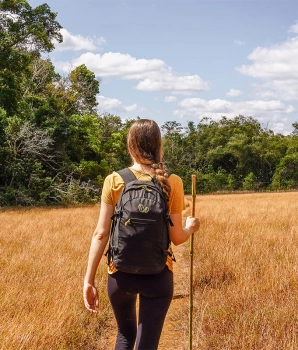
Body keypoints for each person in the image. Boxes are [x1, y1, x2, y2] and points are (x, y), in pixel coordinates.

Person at [83, 119, 200, 350]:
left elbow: (100, 234)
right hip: (158, 275)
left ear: (130, 145)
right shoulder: (172, 181)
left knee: (125, 336)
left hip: (120, 275)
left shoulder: (114, 180)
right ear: (159, 145)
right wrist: (191, 227)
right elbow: (177, 238)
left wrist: (88, 280)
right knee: (147, 345)